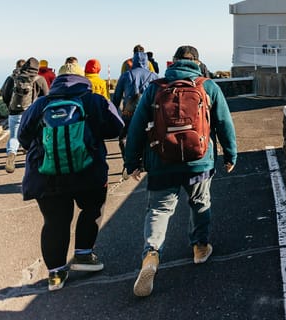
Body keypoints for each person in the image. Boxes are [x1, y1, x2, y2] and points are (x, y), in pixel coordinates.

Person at [124, 45, 237, 297]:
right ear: (197, 62)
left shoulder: (156, 88)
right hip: (199, 161)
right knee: (199, 202)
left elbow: (137, 126)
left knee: (159, 210)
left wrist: (132, 162)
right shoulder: (207, 87)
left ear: (172, 63)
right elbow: (224, 123)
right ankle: (200, 247)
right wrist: (231, 155)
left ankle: (151, 256)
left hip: (161, 161)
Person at [17, 67, 125, 291]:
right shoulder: (93, 100)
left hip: (46, 175)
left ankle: (55, 274)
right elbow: (117, 127)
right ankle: (84, 256)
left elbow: (23, 136)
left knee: (55, 221)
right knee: (92, 209)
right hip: (88, 172)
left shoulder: (41, 104)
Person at [0, 58, 49, 173]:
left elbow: (5, 95)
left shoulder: (12, 78)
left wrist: (10, 107)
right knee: (35, 138)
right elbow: (46, 96)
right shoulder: (39, 79)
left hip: (15, 113)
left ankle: (11, 153)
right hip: (33, 113)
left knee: (14, 136)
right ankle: (33, 162)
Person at [112, 51, 158, 159]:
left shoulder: (126, 75)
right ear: (147, 62)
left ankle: (128, 159)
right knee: (148, 136)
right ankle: (144, 160)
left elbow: (117, 96)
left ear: (134, 61)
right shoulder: (154, 76)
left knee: (124, 137)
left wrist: (115, 112)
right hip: (149, 112)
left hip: (129, 111)